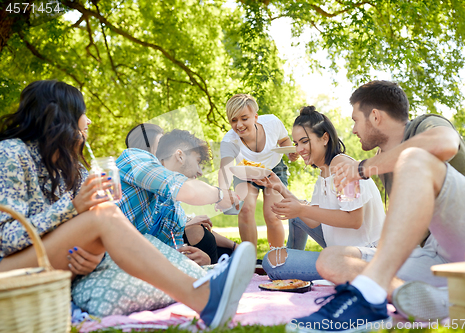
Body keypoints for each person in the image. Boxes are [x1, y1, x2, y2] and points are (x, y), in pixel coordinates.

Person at [0, 80, 256, 329]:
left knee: (105, 214)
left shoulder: (74, 168)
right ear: (61, 116)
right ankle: (203, 298)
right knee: (104, 214)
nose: (88, 121)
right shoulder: (11, 153)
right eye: (82, 113)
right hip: (8, 268)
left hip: (49, 265)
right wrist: (73, 206)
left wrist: (93, 256)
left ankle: (206, 285)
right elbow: (6, 237)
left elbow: (85, 231)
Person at [287, 80, 465, 332]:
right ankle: (436, 300)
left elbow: (444, 143)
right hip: (434, 253)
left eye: (356, 120)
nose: (353, 129)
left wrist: (362, 168)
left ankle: (371, 294)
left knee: (415, 158)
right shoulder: (383, 161)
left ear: (375, 116)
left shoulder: (424, 126)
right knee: (331, 259)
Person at [254, 106, 385, 281]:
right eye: (296, 143)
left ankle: (294, 266)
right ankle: (294, 262)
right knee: (295, 219)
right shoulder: (324, 172)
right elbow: (313, 219)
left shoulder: (341, 166)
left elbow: (354, 219)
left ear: (324, 138)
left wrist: (301, 210)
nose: (299, 149)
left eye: (304, 141)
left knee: (272, 263)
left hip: (365, 255)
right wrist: (280, 188)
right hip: (341, 251)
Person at [122, 125, 238, 264]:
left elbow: (174, 250)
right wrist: (220, 195)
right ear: (179, 155)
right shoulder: (135, 158)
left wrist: (205, 262)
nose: (200, 172)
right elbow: (188, 190)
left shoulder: (170, 203)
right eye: (198, 161)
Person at [218, 94, 299, 248]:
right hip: (245, 173)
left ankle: (276, 260)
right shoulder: (229, 140)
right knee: (246, 210)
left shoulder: (272, 123)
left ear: (255, 117)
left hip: (273, 170)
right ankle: (250, 260)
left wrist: (290, 152)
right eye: (233, 120)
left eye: (244, 118)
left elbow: (284, 140)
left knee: (272, 214)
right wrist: (223, 192)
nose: (239, 125)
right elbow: (225, 168)